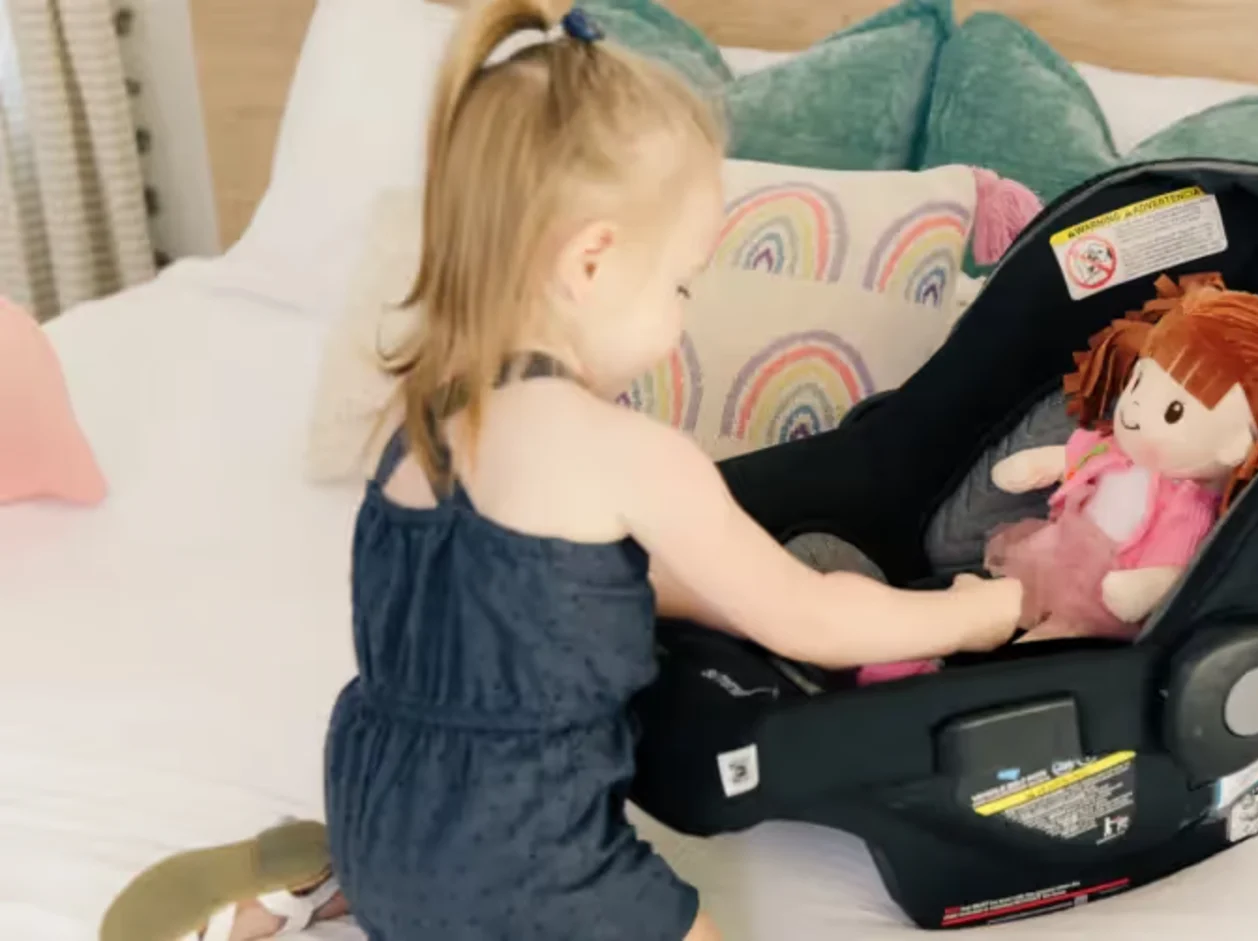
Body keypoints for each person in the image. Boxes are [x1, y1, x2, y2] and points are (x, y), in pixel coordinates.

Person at [97, 3, 1021, 940]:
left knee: (428, 869)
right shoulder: (626, 453)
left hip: (376, 808)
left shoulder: (422, 418)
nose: (681, 318)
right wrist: (973, 612)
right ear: (591, 262)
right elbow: (814, 617)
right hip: (522, 865)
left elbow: (532, 601)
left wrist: (701, 596)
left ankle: (313, 897)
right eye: (680, 284)